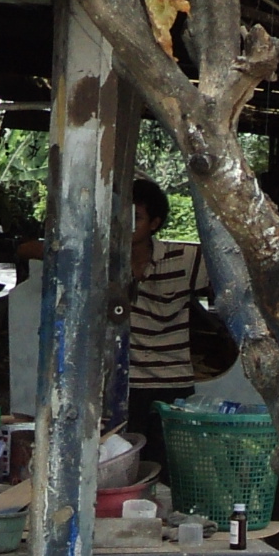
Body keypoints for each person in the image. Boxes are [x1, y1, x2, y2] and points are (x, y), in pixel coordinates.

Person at [124, 178, 210, 432]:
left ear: (154, 223)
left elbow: (236, 262)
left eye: (136, 218)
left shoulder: (183, 259)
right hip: (124, 384)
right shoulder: (105, 260)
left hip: (173, 384)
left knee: (171, 454)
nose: (126, 224)